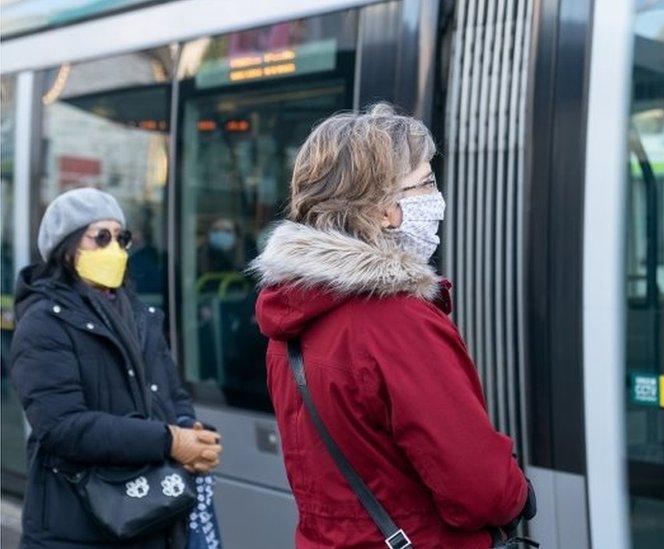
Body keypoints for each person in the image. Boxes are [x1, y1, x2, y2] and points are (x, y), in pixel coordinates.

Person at [250, 104, 536, 548]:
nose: (435, 197)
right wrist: (516, 491)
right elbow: (480, 490)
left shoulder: (289, 312)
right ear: (384, 211)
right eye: (424, 183)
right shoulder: (397, 321)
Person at [11, 188, 223, 548]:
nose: (115, 249)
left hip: (147, 516)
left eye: (121, 237)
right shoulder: (43, 323)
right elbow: (64, 428)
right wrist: (169, 441)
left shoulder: (139, 315)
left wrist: (191, 429)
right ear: (68, 248)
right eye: (101, 238)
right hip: (78, 524)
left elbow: (170, 393)